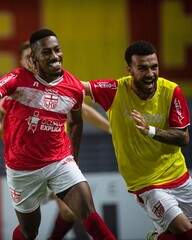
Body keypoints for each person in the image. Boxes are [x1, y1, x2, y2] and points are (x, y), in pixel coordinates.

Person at [0, 29, 116, 240]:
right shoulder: (17, 79)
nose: (54, 57)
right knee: (29, 232)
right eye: (46, 53)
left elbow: (77, 121)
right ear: (33, 59)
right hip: (22, 169)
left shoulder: (73, 87)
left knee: (88, 214)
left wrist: (73, 159)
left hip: (59, 161)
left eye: (57, 50)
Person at [81, 41, 192, 240]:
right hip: (146, 185)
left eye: (154, 67)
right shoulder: (115, 90)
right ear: (130, 69)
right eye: (142, 68)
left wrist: (150, 130)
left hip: (180, 176)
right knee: (185, 231)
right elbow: (80, 87)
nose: (150, 73)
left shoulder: (171, 91)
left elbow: (183, 137)